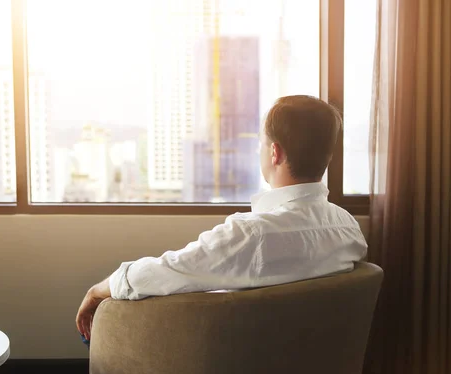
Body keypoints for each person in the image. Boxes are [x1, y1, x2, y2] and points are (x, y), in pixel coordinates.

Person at [76, 95, 368, 343]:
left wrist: (98, 289)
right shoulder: (348, 229)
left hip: (234, 370)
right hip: (314, 371)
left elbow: (158, 274)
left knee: (103, 326)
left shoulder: (251, 235)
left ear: (274, 153)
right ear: (328, 157)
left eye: (260, 143)